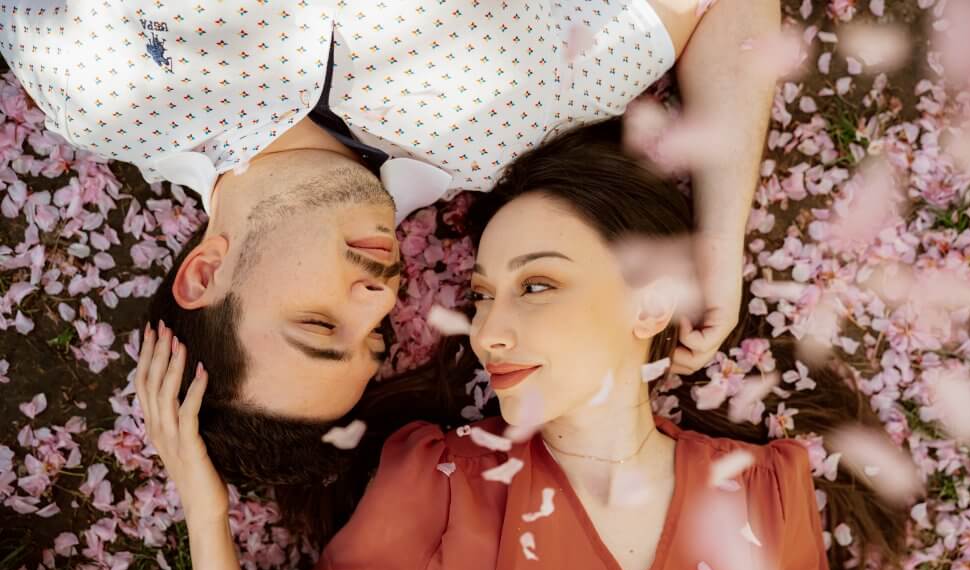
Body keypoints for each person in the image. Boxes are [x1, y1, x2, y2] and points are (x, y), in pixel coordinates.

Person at [136, 122, 912, 570]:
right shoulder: (440, 484)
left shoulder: (767, 497)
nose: (489, 331)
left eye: (537, 285)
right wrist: (204, 509)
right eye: (481, 297)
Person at [0, 0, 781, 454]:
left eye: (319, 325)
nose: (381, 299)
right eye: (374, 337)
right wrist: (719, 245)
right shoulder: (508, 121)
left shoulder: (98, 85)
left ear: (206, 272)